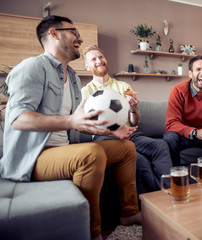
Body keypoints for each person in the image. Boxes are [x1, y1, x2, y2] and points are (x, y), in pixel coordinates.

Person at [0, 16, 140, 240]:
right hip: (34, 158)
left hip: (63, 150)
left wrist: (109, 131)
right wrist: (71, 121)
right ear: (54, 34)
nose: (80, 38)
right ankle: (92, 233)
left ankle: (129, 213)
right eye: (74, 32)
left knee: (126, 148)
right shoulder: (33, 67)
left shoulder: (73, 77)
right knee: (91, 154)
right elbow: (17, 119)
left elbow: (77, 121)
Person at [81, 45, 172, 194]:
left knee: (160, 145)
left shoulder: (123, 86)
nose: (99, 61)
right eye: (93, 59)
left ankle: (169, 193)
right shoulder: (86, 91)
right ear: (87, 66)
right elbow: (88, 123)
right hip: (105, 137)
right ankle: (153, 201)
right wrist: (113, 132)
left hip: (131, 134)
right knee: (140, 161)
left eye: (101, 57)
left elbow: (135, 122)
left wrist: (133, 108)